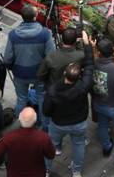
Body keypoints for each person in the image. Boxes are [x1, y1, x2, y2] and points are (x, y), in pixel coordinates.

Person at [42, 34, 95, 177]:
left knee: (51, 145)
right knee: (78, 146)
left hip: (58, 124)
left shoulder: (53, 91)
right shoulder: (84, 86)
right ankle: (76, 171)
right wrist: (87, 45)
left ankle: (47, 168)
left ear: (65, 73)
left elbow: (46, 111)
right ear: (79, 77)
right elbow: (90, 65)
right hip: (78, 123)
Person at [3, 6, 55, 115]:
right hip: (39, 73)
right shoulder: (45, 34)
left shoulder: (13, 35)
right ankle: (42, 124)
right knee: (41, 97)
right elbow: (51, 55)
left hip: (20, 73)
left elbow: (7, 58)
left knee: (21, 98)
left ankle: (21, 123)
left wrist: (12, 67)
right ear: (35, 17)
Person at [0, 107, 55, 177]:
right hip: (37, 173)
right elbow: (51, 155)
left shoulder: (8, 137)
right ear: (35, 120)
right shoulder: (43, 138)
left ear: (19, 118)